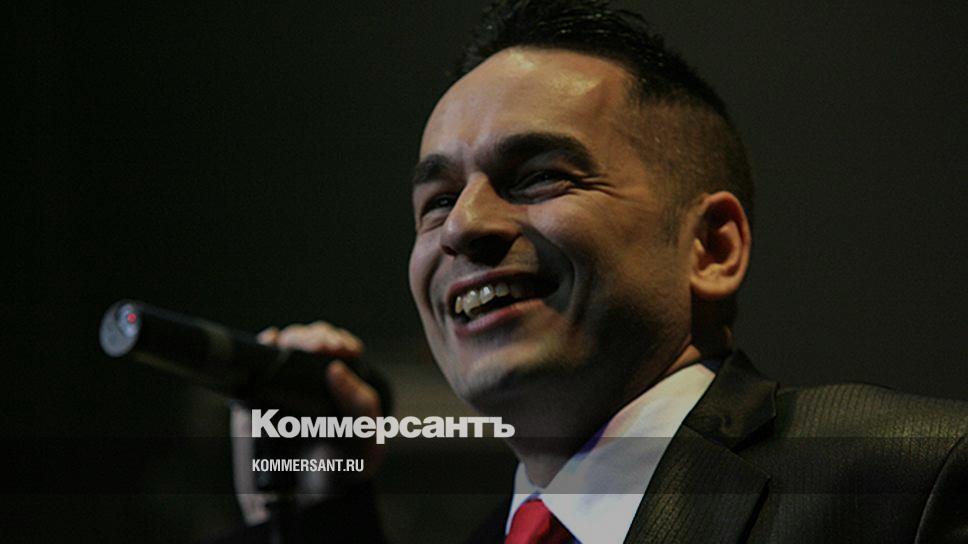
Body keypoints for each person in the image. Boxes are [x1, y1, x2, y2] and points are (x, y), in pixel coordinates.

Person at [218, 1, 968, 542]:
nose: (464, 226)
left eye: (539, 176)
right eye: (437, 200)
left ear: (711, 248)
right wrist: (310, 520)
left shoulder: (914, 482)